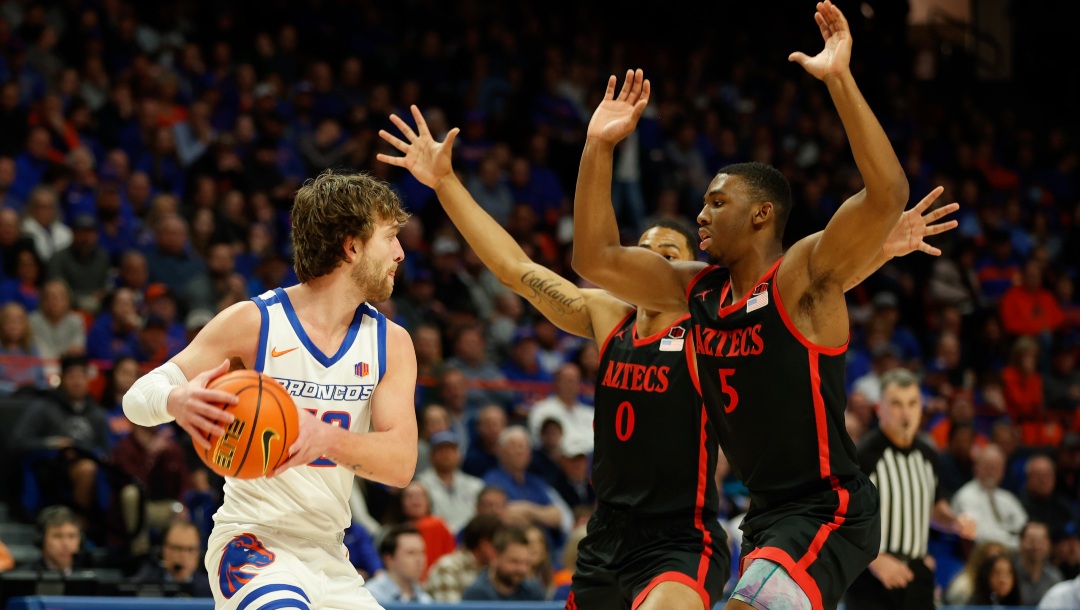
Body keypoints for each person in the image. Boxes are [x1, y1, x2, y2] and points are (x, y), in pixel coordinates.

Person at [377, 93, 957, 609]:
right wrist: (447, 182)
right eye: (647, 252)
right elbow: (516, 268)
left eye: (668, 254)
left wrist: (875, 248)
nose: (652, 262)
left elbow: (800, 297)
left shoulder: (706, 318)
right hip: (609, 535)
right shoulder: (610, 316)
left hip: (685, 539)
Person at [568, 4, 944, 609]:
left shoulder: (801, 275)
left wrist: (840, 81)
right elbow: (595, 257)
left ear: (761, 214)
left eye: (717, 204)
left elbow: (887, 194)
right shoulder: (697, 291)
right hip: (765, 519)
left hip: (828, 508)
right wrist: (598, 147)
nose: (700, 215)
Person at [123, 169, 418, 610]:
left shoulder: (391, 343)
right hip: (251, 541)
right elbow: (136, 398)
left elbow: (401, 465)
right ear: (352, 246)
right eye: (390, 237)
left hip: (330, 554)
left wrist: (325, 438)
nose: (400, 252)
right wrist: (175, 399)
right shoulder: (256, 322)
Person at [845, 369, 976, 610]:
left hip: (916, 574)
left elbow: (934, 509)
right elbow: (842, 521)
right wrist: (876, 561)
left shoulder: (928, 456)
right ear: (879, 408)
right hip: (872, 577)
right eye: (896, 404)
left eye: (912, 403)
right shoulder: (863, 457)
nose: (906, 413)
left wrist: (955, 523)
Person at [952, 444, 1029, 550]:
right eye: (987, 466)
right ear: (976, 468)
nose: (991, 471)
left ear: (1003, 471)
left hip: (1014, 550)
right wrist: (1013, 543)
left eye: (996, 467)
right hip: (983, 552)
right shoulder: (966, 496)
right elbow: (977, 535)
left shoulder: (1008, 498)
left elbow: (1024, 527)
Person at [424, 514, 502, 602]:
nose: (501, 551)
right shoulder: (449, 567)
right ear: (484, 545)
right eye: (498, 546)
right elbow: (450, 608)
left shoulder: (492, 569)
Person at [461, 525, 546, 602]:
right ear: (496, 557)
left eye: (526, 563)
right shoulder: (477, 594)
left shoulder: (533, 591)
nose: (522, 569)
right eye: (514, 561)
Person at [130, 519, 212, 597]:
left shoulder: (212, 589)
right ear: (163, 549)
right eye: (177, 548)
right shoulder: (143, 585)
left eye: (190, 549)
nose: (183, 555)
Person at [363, 525, 433, 605]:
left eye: (422, 552)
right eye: (411, 553)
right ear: (389, 559)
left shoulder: (425, 599)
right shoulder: (370, 596)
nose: (420, 560)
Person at [1015, 521, 1064, 606]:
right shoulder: (1009, 574)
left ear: (1049, 544)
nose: (1036, 546)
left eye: (1041, 541)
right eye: (1031, 540)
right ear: (1021, 542)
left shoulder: (1055, 578)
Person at [29, 505, 84, 574]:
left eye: (71, 536)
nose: (66, 544)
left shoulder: (91, 574)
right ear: (42, 540)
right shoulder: (25, 576)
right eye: (58, 536)